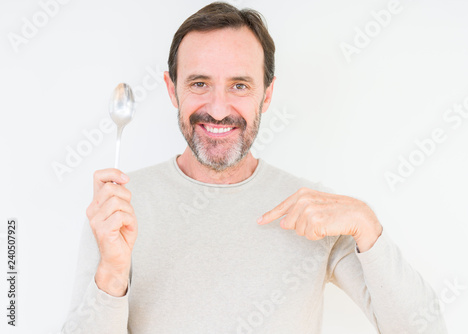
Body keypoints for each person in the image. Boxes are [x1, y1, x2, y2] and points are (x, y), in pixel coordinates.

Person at [61, 2, 447, 333]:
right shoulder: (118, 207)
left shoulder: (314, 212)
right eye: (198, 83)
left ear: (267, 94)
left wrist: (367, 224)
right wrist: (111, 273)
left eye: (240, 86)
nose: (217, 107)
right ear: (170, 88)